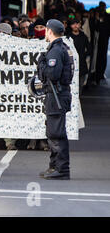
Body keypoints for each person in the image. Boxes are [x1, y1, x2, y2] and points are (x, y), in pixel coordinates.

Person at [37, 19, 74, 180]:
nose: (45, 33)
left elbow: (52, 75)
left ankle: (61, 169)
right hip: (58, 94)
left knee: (56, 133)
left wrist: (41, 64)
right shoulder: (61, 47)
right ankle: (54, 166)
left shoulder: (56, 51)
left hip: (56, 95)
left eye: (46, 30)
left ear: (50, 31)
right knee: (53, 132)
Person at [67, 18, 91, 94]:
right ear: (70, 26)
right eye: (73, 24)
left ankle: (78, 98)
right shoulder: (68, 37)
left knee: (80, 84)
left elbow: (89, 49)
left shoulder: (83, 36)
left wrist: (84, 55)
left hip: (81, 63)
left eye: (77, 24)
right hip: (70, 63)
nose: (75, 26)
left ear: (80, 25)